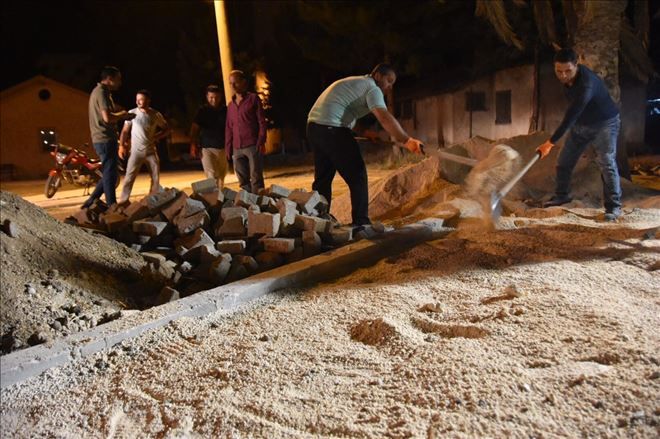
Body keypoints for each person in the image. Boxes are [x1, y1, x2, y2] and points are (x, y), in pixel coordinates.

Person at [307, 63, 424, 227]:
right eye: (389, 81)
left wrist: (364, 132)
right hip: (332, 127)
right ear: (378, 76)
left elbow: (346, 113)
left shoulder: (358, 84)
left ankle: (318, 220)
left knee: (323, 178)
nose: (390, 87)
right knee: (358, 175)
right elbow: (384, 117)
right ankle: (361, 223)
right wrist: (407, 140)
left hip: (314, 127)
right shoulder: (372, 88)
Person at [537, 48, 622, 221]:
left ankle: (613, 207)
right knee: (563, 161)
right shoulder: (567, 79)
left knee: (606, 162)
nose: (563, 75)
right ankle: (562, 195)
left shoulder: (587, 84)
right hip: (581, 125)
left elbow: (571, 115)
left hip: (604, 124)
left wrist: (550, 143)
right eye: (559, 71)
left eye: (568, 71)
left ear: (577, 65)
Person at [82, 66, 135, 209]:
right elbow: (107, 118)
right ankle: (112, 205)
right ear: (110, 79)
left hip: (103, 138)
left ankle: (89, 203)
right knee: (110, 173)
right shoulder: (101, 92)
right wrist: (123, 115)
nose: (120, 83)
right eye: (118, 79)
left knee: (109, 172)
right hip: (104, 138)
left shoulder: (100, 92)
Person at [117, 90, 170, 204]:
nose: (138, 102)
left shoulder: (155, 114)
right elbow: (125, 131)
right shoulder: (132, 113)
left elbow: (166, 129)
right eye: (137, 99)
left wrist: (156, 137)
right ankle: (123, 201)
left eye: (141, 99)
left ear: (148, 100)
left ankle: (153, 199)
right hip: (136, 152)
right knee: (129, 177)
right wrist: (121, 146)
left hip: (151, 151)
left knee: (155, 177)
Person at [225, 70, 267, 193]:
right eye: (230, 83)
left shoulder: (253, 99)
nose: (233, 86)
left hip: (253, 144)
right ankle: (247, 201)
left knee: (256, 177)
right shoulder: (231, 105)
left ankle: (259, 201)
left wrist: (261, 140)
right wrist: (228, 147)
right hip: (237, 147)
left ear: (244, 82)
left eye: (236, 82)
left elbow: (261, 121)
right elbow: (229, 127)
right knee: (242, 180)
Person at [190, 85, 228, 189]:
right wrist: (193, 144)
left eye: (216, 97)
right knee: (212, 175)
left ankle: (219, 195)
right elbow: (194, 128)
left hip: (223, 148)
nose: (214, 100)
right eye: (211, 97)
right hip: (207, 148)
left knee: (221, 175)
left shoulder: (225, 110)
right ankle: (214, 195)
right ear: (207, 97)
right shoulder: (202, 111)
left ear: (220, 97)